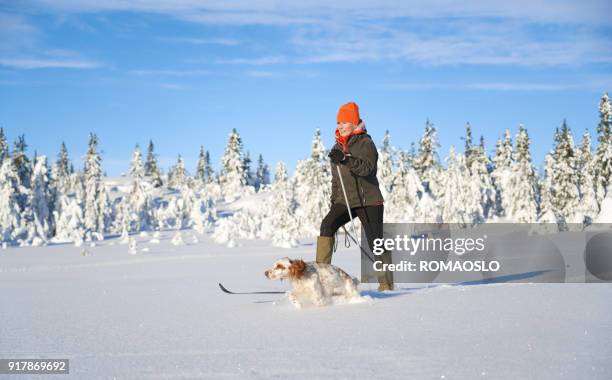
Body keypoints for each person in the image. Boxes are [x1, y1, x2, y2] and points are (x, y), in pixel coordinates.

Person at [317, 102, 394, 291]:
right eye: (338, 122)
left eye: (344, 122)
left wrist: (346, 159)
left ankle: (386, 284)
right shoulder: (337, 146)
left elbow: (368, 169)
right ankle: (320, 279)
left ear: (353, 122)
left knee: (375, 241)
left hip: (369, 201)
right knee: (327, 225)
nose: (340, 126)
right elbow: (336, 179)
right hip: (345, 201)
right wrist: (334, 200)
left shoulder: (365, 142)